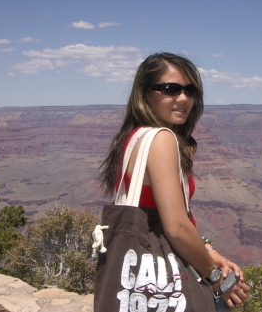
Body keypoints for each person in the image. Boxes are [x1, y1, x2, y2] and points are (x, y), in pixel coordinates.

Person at [99, 52, 250, 309]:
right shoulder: (161, 139)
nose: (184, 99)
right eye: (171, 89)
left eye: (190, 91)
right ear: (146, 93)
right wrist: (214, 277)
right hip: (165, 274)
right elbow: (175, 227)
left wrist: (209, 251)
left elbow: (164, 217)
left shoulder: (134, 136)